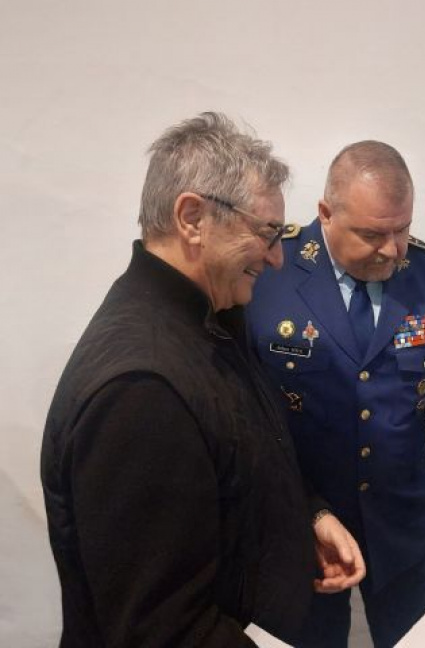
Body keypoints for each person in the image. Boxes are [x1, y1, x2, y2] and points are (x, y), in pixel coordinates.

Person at [41, 112, 365, 647]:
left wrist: (309, 514)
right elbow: (164, 630)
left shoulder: (213, 317)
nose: (277, 258)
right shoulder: (141, 391)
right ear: (192, 218)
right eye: (267, 233)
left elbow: (245, 453)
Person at [246, 140, 425, 647]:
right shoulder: (272, 270)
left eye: (402, 229)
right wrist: (303, 511)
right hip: (303, 521)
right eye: (372, 234)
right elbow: (246, 409)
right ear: (326, 213)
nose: (392, 250)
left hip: (400, 523)